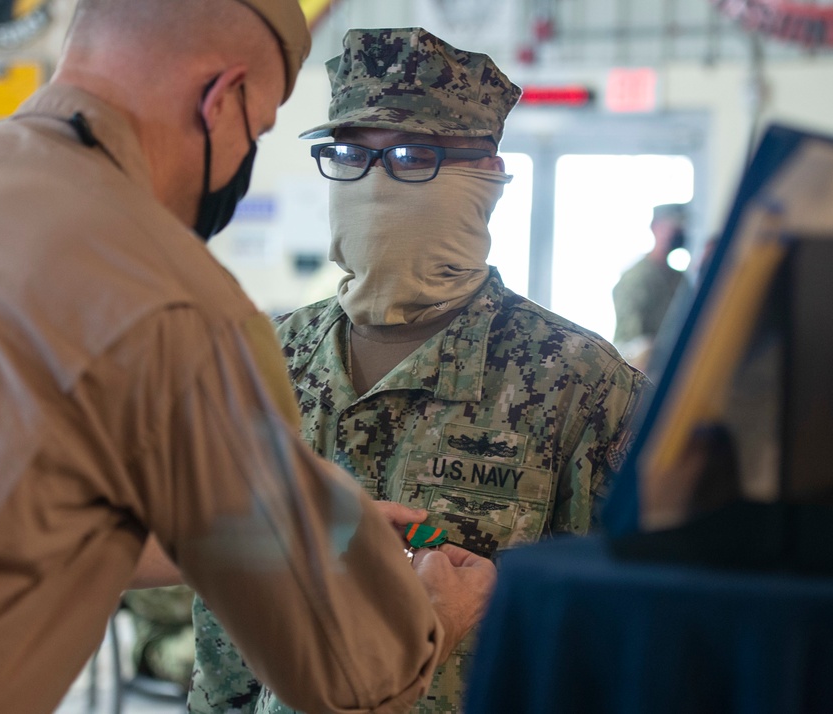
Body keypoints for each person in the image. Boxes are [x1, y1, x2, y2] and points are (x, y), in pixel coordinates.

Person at [0, 5, 497, 714]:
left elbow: (1, 511)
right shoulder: (179, 305)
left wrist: (316, 522)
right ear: (224, 99)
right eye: (261, 129)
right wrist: (438, 612)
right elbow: (359, 680)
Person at [189, 27, 652, 714]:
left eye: (414, 156)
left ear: (489, 178)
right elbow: (222, 610)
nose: (375, 183)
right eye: (348, 154)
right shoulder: (262, 359)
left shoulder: (582, 385)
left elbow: (613, 637)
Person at [612, 202, 691, 370]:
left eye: (682, 227)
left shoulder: (680, 279)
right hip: (637, 364)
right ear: (655, 228)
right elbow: (632, 341)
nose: (679, 232)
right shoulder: (637, 276)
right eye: (674, 226)